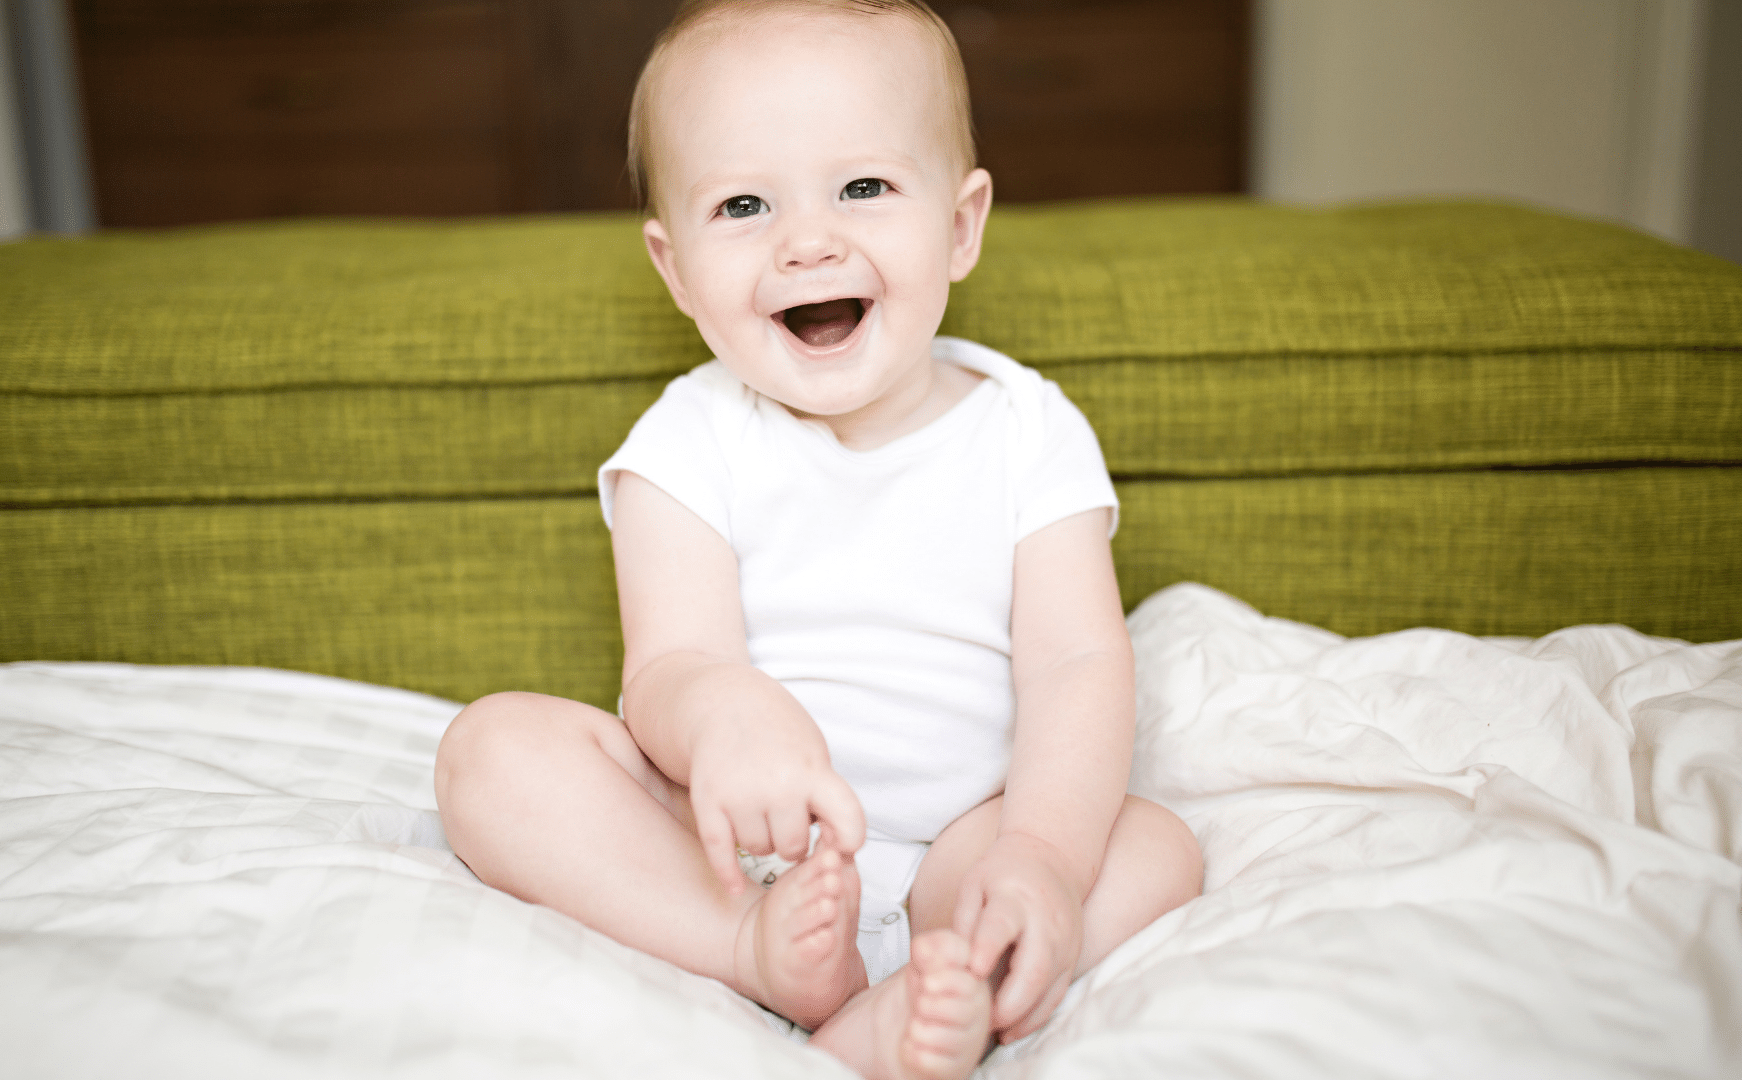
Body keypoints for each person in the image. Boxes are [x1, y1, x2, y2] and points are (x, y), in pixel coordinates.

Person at [433, 2, 1203, 1076]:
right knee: (490, 756)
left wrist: (1040, 859)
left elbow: (1077, 660)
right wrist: (723, 713)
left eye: (864, 188)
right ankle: (750, 951)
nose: (807, 240)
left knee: (1157, 851)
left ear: (961, 225)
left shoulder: (1029, 429)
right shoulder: (687, 442)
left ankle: (944, 977)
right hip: (737, 852)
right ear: (675, 269)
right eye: (743, 204)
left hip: (963, 838)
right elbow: (667, 668)